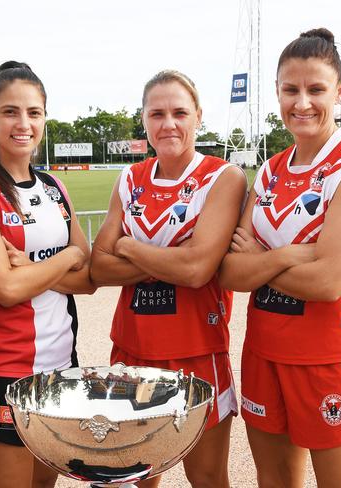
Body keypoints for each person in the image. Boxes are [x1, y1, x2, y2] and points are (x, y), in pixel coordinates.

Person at [219, 28, 341, 487]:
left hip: (332, 357)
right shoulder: (271, 169)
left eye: (316, 89)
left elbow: (329, 282)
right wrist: (295, 253)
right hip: (263, 350)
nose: (302, 103)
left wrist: (264, 257)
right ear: (276, 91)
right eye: (290, 89)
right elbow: (231, 271)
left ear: (338, 90)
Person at [90, 70, 246, 488]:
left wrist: (129, 247)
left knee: (208, 477)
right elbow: (99, 267)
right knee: (131, 475)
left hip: (197, 350)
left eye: (179, 112)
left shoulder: (222, 177)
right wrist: (179, 256)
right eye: (157, 113)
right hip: (132, 346)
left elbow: (198, 273)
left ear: (198, 116)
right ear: (144, 119)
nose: (168, 123)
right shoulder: (129, 180)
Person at [0, 61, 95, 488]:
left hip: (61, 364)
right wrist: (66, 257)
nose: (23, 123)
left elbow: (88, 280)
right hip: (3, 370)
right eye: (11, 111)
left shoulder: (53, 186)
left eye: (34, 112)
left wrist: (35, 266)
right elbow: (5, 288)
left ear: (44, 118)